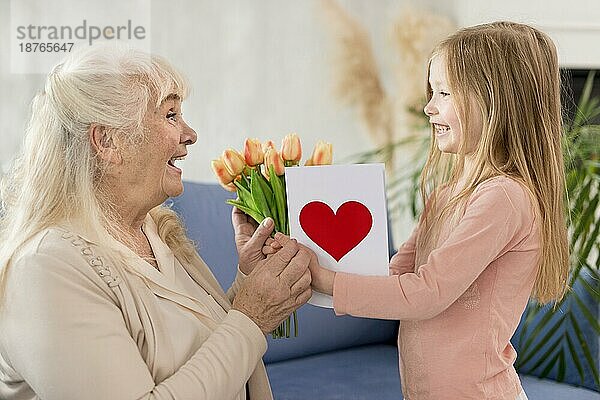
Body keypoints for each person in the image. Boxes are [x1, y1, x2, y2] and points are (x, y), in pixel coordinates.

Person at [267, 21, 569, 400]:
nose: (428, 108)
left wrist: (325, 279)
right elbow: (393, 277)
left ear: (493, 102)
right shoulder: (446, 196)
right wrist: (307, 264)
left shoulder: (504, 199)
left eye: (444, 93)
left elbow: (427, 294)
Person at [0, 43, 312, 400]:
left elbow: (198, 354)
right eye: (170, 115)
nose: (190, 134)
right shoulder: (45, 270)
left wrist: (248, 287)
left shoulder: (155, 227)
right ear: (108, 141)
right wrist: (252, 318)